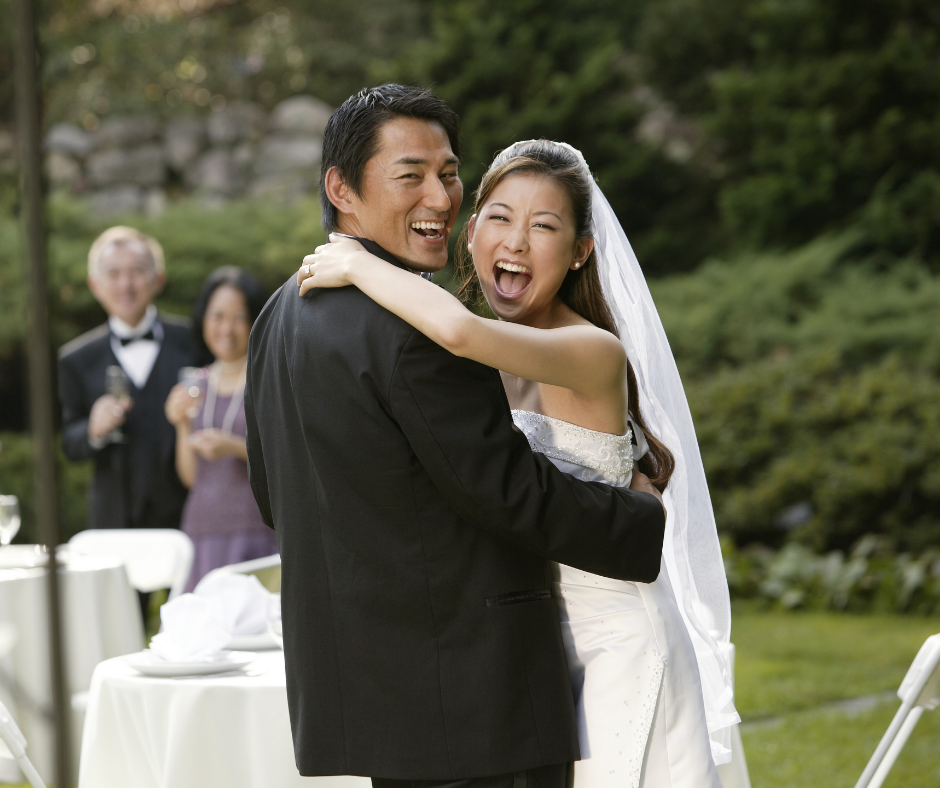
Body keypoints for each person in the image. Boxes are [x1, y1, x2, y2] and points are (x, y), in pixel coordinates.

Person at [244, 84, 667, 788]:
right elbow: (508, 495)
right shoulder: (417, 335)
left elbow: (274, 495)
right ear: (341, 189)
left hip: (381, 702)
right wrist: (640, 520)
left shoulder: (280, 313)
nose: (441, 198)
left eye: (448, 174)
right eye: (411, 175)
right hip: (473, 700)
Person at [297, 139, 741, 786]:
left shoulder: (589, 351)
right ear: (472, 233)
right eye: (500, 219)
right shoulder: (464, 368)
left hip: (619, 643)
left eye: (545, 226)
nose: (517, 241)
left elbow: (459, 331)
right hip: (529, 644)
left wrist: (360, 264)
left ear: (580, 251)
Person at [59, 226, 195, 532]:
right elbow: (69, 443)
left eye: (137, 271)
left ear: (157, 279)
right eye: (113, 273)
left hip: (187, 518)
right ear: (95, 284)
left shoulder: (194, 344)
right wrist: (92, 429)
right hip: (113, 523)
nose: (126, 284)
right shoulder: (75, 360)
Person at [165, 266, 276, 592]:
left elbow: (283, 461)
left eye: (238, 317)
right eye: (217, 316)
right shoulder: (193, 385)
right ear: (203, 320)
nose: (226, 328)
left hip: (254, 532)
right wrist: (181, 426)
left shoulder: (265, 380)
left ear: (254, 321)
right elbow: (191, 478)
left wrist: (232, 446)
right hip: (202, 532)